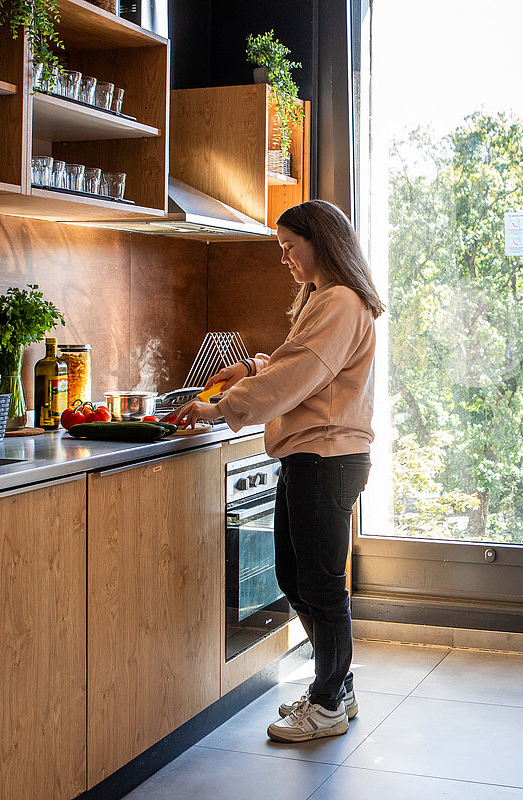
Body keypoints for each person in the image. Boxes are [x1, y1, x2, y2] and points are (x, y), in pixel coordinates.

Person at [173, 200, 385, 740]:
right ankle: (336, 687)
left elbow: (298, 376)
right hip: (311, 454)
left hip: (326, 457)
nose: (285, 258)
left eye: (291, 247)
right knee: (296, 578)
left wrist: (219, 408)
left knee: (321, 584)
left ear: (323, 242)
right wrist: (249, 366)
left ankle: (329, 701)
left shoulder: (338, 301)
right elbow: (302, 367)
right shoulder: (325, 300)